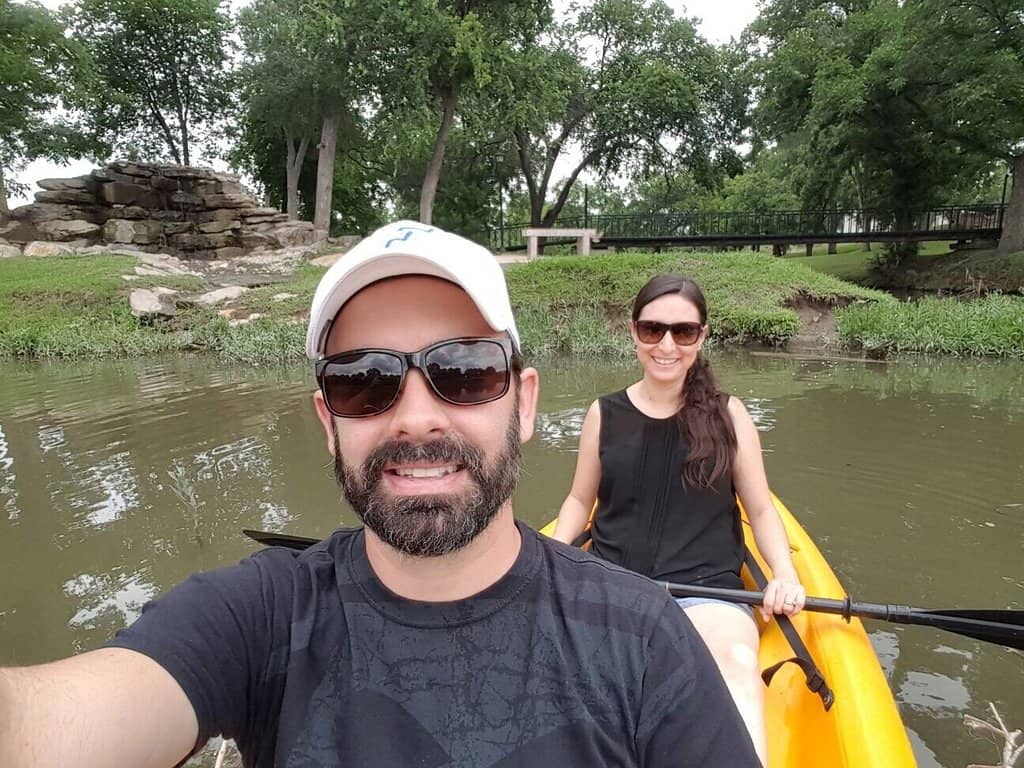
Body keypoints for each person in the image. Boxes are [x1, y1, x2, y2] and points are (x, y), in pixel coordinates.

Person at [0, 223, 760, 768]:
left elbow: (753, 507)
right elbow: (40, 728)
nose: (416, 417)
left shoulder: (644, 638)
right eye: (364, 382)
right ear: (328, 423)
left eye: (465, 371)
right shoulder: (259, 619)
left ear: (524, 404)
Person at [551, 273, 807, 766]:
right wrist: (553, 563)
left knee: (735, 664)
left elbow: (760, 509)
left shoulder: (730, 416)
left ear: (701, 336)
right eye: (653, 329)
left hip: (707, 595)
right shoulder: (603, 414)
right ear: (634, 332)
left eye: (683, 332)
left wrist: (785, 573)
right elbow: (579, 502)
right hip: (613, 589)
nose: (666, 345)